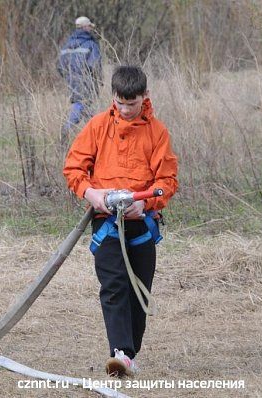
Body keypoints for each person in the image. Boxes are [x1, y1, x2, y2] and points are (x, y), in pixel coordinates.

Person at [63, 65, 178, 377]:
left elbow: (167, 181)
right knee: (113, 286)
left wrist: (144, 203)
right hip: (106, 223)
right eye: (120, 103)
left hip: (142, 225)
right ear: (112, 97)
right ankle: (120, 354)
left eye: (133, 103)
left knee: (139, 292)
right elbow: (74, 168)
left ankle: (129, 352)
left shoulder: (158, 133)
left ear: (145, 97)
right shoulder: (98, 126)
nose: (126, 110)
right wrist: (92, 194)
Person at [57, 16, 102, 149]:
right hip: (87, 82)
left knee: (87, 110)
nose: (91, 29)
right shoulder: (91, 44)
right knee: (80, 105)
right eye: (89, 26)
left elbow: (60, 66)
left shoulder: (67, 45)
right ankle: (66, 129)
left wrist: (69, 77)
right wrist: (98, 80)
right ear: (85, 28)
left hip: (72, 82)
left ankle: (97, 137)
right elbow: (95, 65)